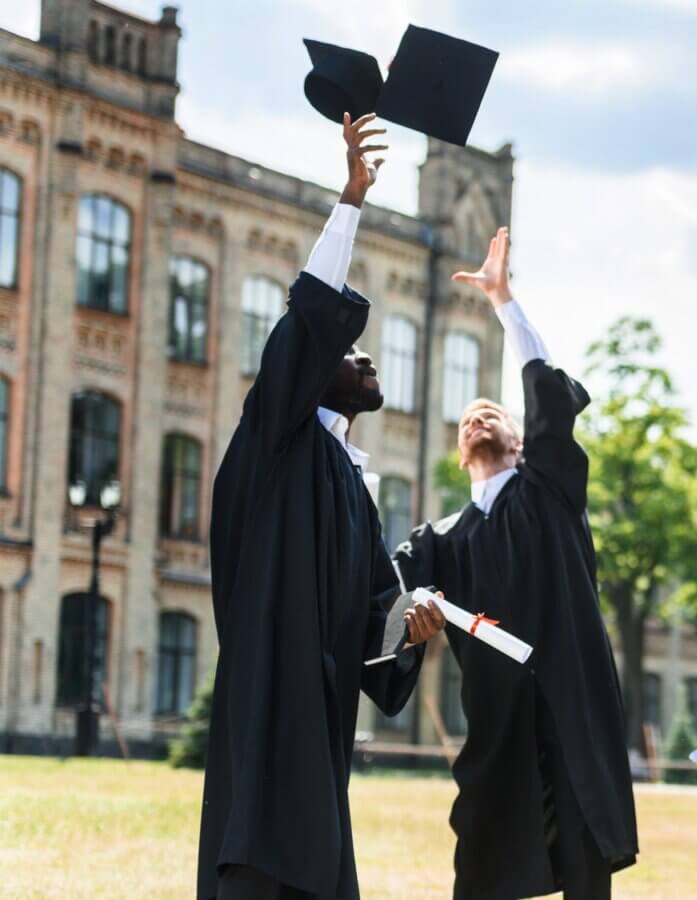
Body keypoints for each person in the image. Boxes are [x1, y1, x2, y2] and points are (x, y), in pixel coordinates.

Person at [198, 113, 446, 900]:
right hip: (270, 706)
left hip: (321, 722)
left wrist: (413, 627)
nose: (365, 353)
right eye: (348, 351)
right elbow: (307, 320)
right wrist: (351, 198)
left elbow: (377, 608)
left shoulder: (348, 477)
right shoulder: (279, 437)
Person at [394, 227, 639, 899]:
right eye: (468, 418)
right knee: (482, 864)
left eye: (492, 412)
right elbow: (393, 588)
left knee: (585, 865)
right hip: (498, 717)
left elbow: (551, 398)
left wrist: (505, 302)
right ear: (457, 451)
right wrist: (410, 614)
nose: (479, 418)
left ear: (521, 438)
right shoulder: (444, 536)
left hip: (568, 698)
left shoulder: (548, 491)